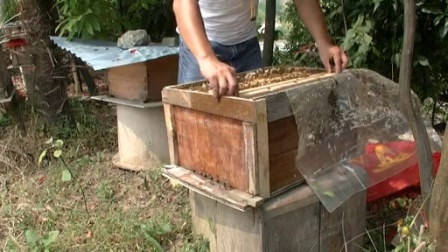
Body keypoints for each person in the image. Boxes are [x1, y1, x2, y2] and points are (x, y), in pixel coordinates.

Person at [173, 0, 349, 99]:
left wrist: (323, 42)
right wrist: (206, 58)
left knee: (254, 134)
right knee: (197, 134)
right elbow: (182, 4)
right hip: (201, 46)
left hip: (247, 45)